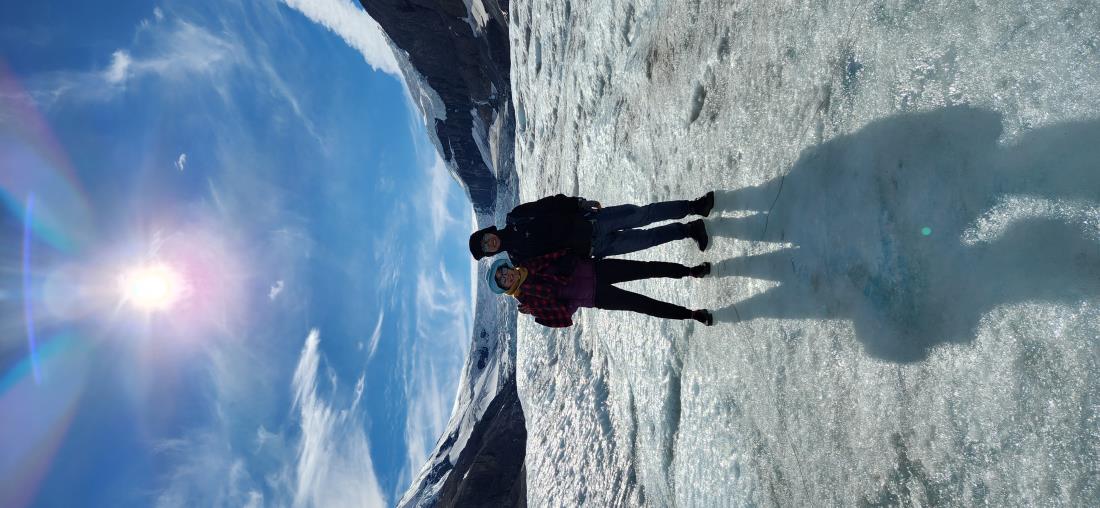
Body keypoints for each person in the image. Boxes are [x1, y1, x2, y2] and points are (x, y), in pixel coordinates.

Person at [486, 250, 714, 328]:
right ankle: (692, 314)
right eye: (503, 281)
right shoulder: (528, 300)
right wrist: (537, 311)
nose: (507, 276)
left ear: (507, 267)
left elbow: (560, 253)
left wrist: (574, 261)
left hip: (596, 268)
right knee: (643, 304)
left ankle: (691, 271)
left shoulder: (530, 263)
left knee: (647, 268)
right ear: (505, 288)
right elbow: (563, 315)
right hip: (595, 296)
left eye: (503, 272)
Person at [469, 192, 714, 263]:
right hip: (594, 249)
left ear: (487, 232)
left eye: (485, 239)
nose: (489, 243)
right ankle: (689, 230)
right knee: (647, 240)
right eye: (486, 248)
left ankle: (693, 206)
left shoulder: (516, 217)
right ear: (491, 253)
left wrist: (578, 203)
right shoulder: (518, 260)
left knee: (642, 215)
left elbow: (549, 204)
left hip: (591, 222)